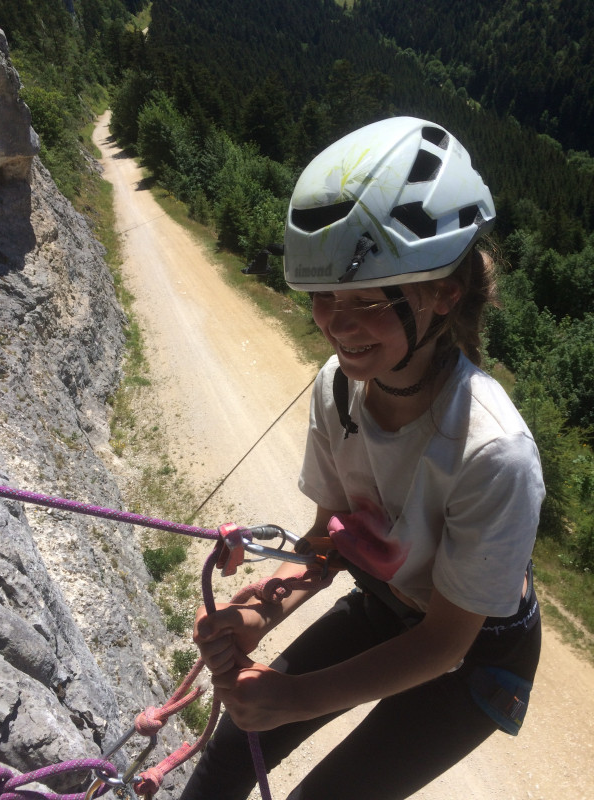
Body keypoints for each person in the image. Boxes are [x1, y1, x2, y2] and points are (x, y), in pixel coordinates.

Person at [181, 117, 545, 800]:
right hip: (392, 600)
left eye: (368, 302)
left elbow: (444, 645)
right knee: (234, 744)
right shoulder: (338, 389)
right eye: (323, 299)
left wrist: (293, 697)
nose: (337, 325)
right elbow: (329, 541)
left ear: (446, 293)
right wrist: (259, 612)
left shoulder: (493, 453)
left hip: (476, 655)